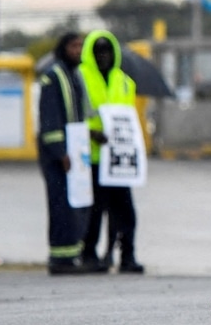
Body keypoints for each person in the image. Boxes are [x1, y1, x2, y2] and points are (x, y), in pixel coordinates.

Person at [78, 29, 144, 274]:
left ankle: (127, 256)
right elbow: (74, 117)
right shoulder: (80, 78)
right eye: (98, 51)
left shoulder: (125, 81)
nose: (103, 56)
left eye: (107, 51)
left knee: (125, 212)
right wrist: (90, 133)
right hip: (92, 157)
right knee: (94, 212)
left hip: (118, 160)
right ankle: (90, 255)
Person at [38, 32, 100, 274]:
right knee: (61, 205)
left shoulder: (75, 75)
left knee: (75, 205)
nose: (78, 50)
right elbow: (50, 118)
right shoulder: (53, 77)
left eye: (81, 46)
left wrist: (92, 136)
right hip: (58, 155)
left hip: (75, 152)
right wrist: (59, 151)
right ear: (63, 48)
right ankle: (59, 259)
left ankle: (72, 256)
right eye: (74, 46)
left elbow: (79, 115)